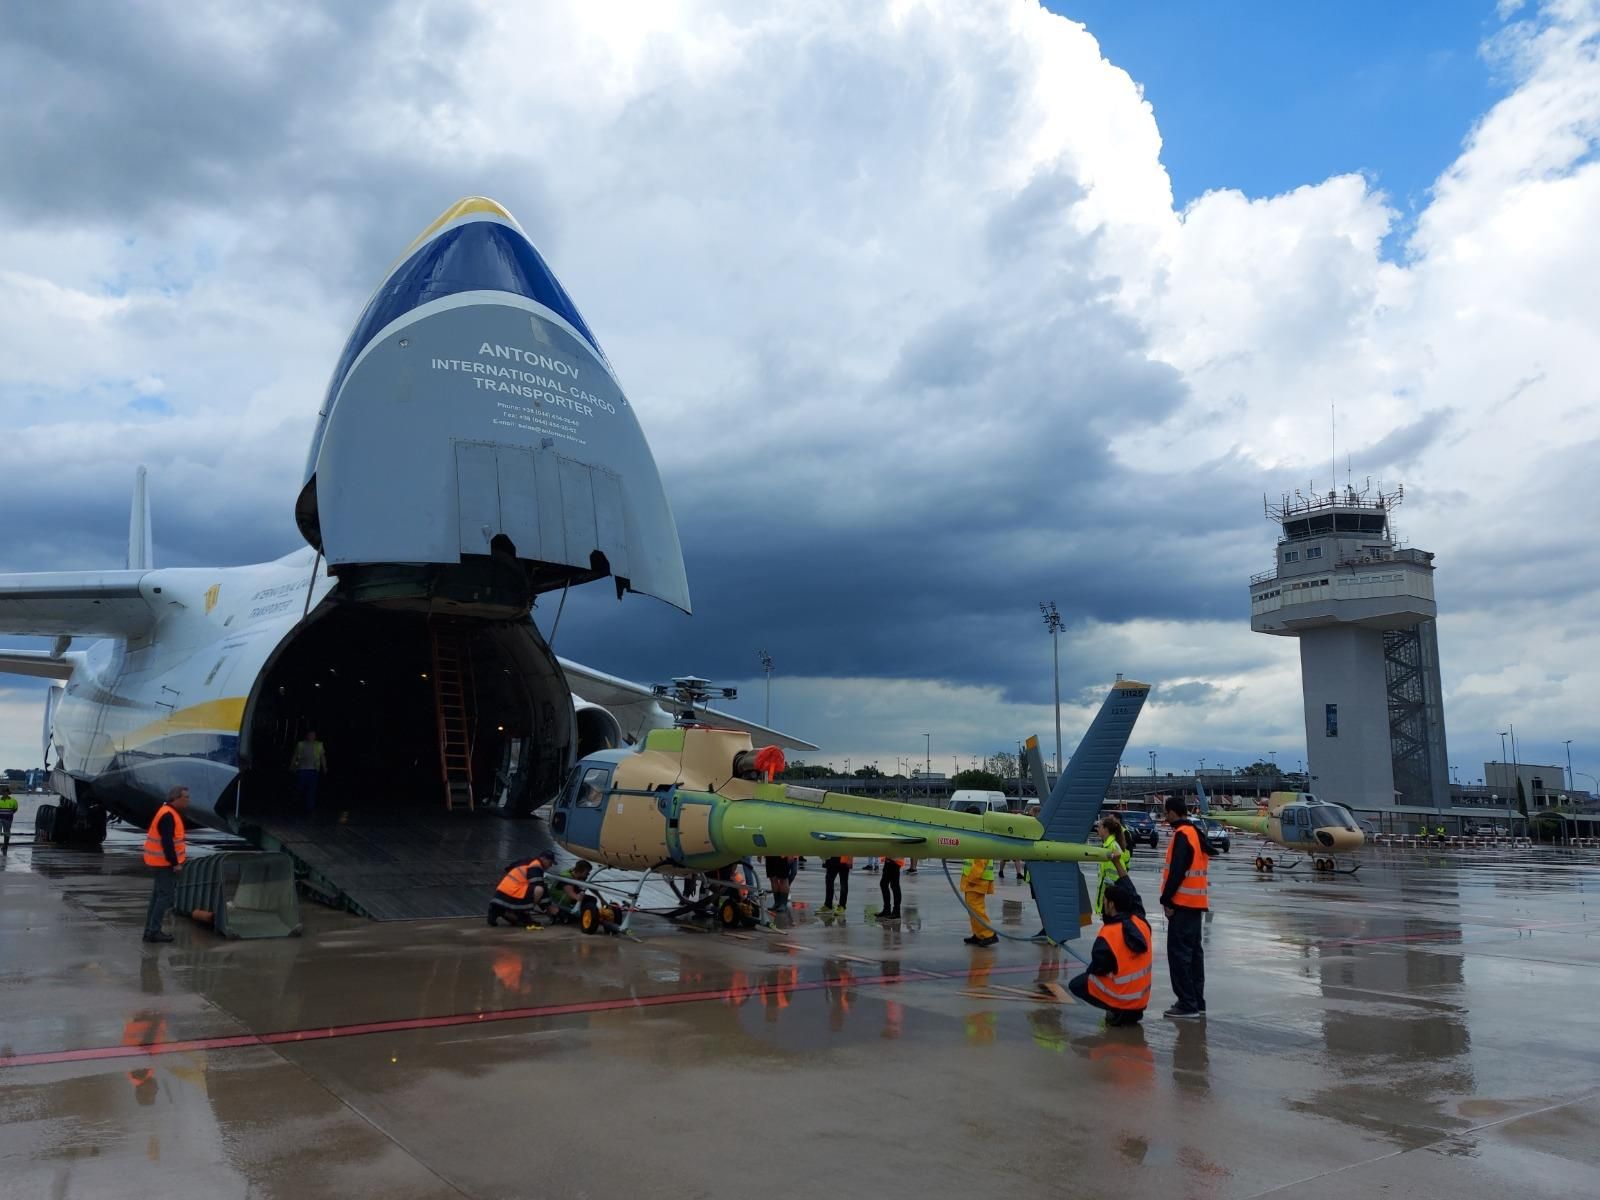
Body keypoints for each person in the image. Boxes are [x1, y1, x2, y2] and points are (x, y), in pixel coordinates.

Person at [1067, 877, 1152, 1025]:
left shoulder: (1108, 935)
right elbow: (1134, 895)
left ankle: (1115, 1009)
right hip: (1141, 1001)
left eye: (1105, 901)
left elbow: (1098, 968)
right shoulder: (1141, 923)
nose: (1103, 903)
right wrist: (1119, 866)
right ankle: (1125, 1010)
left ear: (1111, 905)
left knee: (1077, 984)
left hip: (1123, 1002)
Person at [1158, 795, 1209, 1018]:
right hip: (1196, 904)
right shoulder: (1195, 832)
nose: (1164, 817)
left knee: (1179, 956)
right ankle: (1197, 1001)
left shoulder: (1182, 835)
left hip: (1182, 904)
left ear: (1171, 812)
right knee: (1194, 955)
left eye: (1165, 813)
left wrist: (1166, 900)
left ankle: (1187, 1003)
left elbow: (1177, 871)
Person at [142, 785, 190, 943]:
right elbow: (167, 842)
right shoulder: (168, 815)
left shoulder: (167, 812)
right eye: (186, 797)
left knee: (157, 897)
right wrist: (175, 863)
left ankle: (150, 931)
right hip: (163, 864)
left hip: (158, 862)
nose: (188, 800)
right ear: (176, 798)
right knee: (166, 897)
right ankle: (154, 931)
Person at [487, 850, 556, 926]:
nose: (550, 866)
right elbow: (539, 886)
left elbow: (509, 868)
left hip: (501, 893)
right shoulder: (536, 866)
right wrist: (548, 908)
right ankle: (524, 913)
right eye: (550, 863)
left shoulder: (527, 861)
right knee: (539, 890)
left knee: (517, 921)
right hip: (514, 892)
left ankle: (497, 910)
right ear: (543, 859)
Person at [1092, 813, 1133, 915]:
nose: (1097, 829)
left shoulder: (1111, 848)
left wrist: (1106, 903)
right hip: (1110, 901)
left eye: (1100, 827)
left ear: (1106, 829)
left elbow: (1112, 878)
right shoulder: (1108, 845)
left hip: (1112, 903)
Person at [960, 852, 997, 947]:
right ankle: (979, 934)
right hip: (974, 880)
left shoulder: (980, 844)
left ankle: (988, 934)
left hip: (977, 880)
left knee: (976, 908)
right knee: (972, 908)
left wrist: (973, 878)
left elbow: (980, 861)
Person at [290, 730, 327, 817]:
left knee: (312, 789)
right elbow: (295, 755)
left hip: (313, 770)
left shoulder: (319, 745)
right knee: (299, 787)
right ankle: (296, 804)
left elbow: (322, 756)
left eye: (313, 735)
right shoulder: (301, 744)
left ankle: (309, 808)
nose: (312, 737)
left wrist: (324, 767)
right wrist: (292, 765)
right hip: (302, 769)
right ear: (307, 735)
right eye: (310, 735)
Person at [877, 855, 903, 921]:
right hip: (890, 859)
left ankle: (896, 911)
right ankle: (888, 909)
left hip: (895, 860)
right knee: (884, 884)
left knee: (894, 885)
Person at [0, 787, 17, 852]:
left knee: (6, 833)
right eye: (3, 792)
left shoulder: (13, 801)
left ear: (8, 793)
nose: (4, 793)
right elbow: (15, 810)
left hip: (8, 819)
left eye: (5, 792)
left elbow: (15, 809)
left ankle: (5, 846)